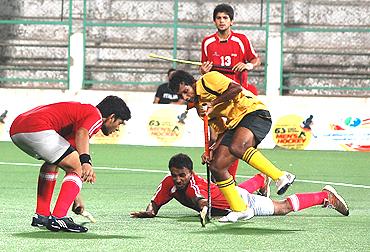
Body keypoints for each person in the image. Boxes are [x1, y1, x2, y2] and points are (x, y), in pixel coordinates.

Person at [168, 69, 296, 222]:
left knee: (237, 147)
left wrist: (213, 103)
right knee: (216, 166)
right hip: (234, 125)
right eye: (181, 95)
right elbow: (221, 132)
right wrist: (211, 150)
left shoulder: (208, 79)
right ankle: (240, 209)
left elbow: (236, 89)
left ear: (189, 83)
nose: (185, 97)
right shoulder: (201, 109)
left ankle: (281, 176)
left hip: (253, 112)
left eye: (186, 91)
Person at [9, 95, 131, 233]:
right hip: (36, 128)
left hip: (17, 129)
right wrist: (86, 162)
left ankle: (41, 216)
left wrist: (75, 197)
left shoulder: (80, 115)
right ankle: (59, 217)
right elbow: (83, 133)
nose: (117, 128)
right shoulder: (95, 115)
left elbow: (66, 162)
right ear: (111, 117)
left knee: (52, 164)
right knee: (77, 166)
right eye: (119, 123)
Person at [130, 153, 349, 225]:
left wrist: (205, 214)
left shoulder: (195, 183)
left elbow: (202, 202)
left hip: (242, 204)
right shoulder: (169, 182)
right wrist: (149, 212)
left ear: (191, 173)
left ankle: (324, 196)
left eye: (182, 175)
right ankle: (260, 180)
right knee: (235, 188)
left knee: (282, 208)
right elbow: (155, 202)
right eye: (175, 175)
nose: (178, 180)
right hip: (230, 196)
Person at [200, 3, 260, 96]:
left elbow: (256, 60)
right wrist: (203, 71)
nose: (221, 21)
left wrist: (247, 65)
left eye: (225, 18)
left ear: (231, 21)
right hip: (217, 93)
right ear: (214, 21)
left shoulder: (241, 39)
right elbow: (204, 67)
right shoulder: (207, 42)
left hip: (238, 92)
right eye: (218, 18)